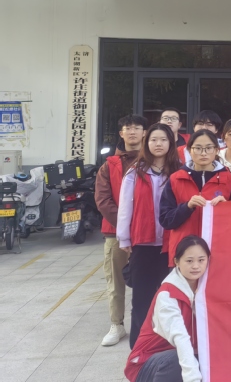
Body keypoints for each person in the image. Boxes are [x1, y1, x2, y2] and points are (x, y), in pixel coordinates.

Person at [117, 123, 181, 349]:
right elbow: (125, 207)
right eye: (153, 139)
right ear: (147, 143)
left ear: (171, 143)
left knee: (171, 299)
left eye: (163, 139)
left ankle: (170, 348)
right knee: (142, 301)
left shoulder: (179, 172)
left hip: (172, 245)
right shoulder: (135, 172)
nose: (158, 144)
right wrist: (124, 237)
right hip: (143, 244)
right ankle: (138, 350)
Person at [125, 235, 209, 382]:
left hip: (184, 354)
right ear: (177, 262)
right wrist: (193, 379)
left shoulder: (206, 288)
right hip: (148, 362)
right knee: (175, 360)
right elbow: (180, 338)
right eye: (189, 261)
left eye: (201, 260)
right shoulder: (167, 295)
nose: (196, 266)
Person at [96, 114, 147, 347]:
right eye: (128, 128)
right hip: (115, 233)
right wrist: (125, 226)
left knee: (148, 279)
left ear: (144, 133)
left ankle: (148, 325)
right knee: (115, 281)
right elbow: (103, 200)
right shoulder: (109, 165)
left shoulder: (154, 161)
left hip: (147, 233)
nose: (133, 131)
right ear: (121, 133)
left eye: (137, 127)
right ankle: (116, 324)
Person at [159, 130, 231, 262]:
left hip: (218, 250)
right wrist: (187, 207)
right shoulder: (176, 179)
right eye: (198, 148)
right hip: (183, 252)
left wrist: (226, 208)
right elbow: (165, 220)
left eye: (209, 148)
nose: (204, 153)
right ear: (189, 150)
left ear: (217, 150)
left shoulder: (228, 179)